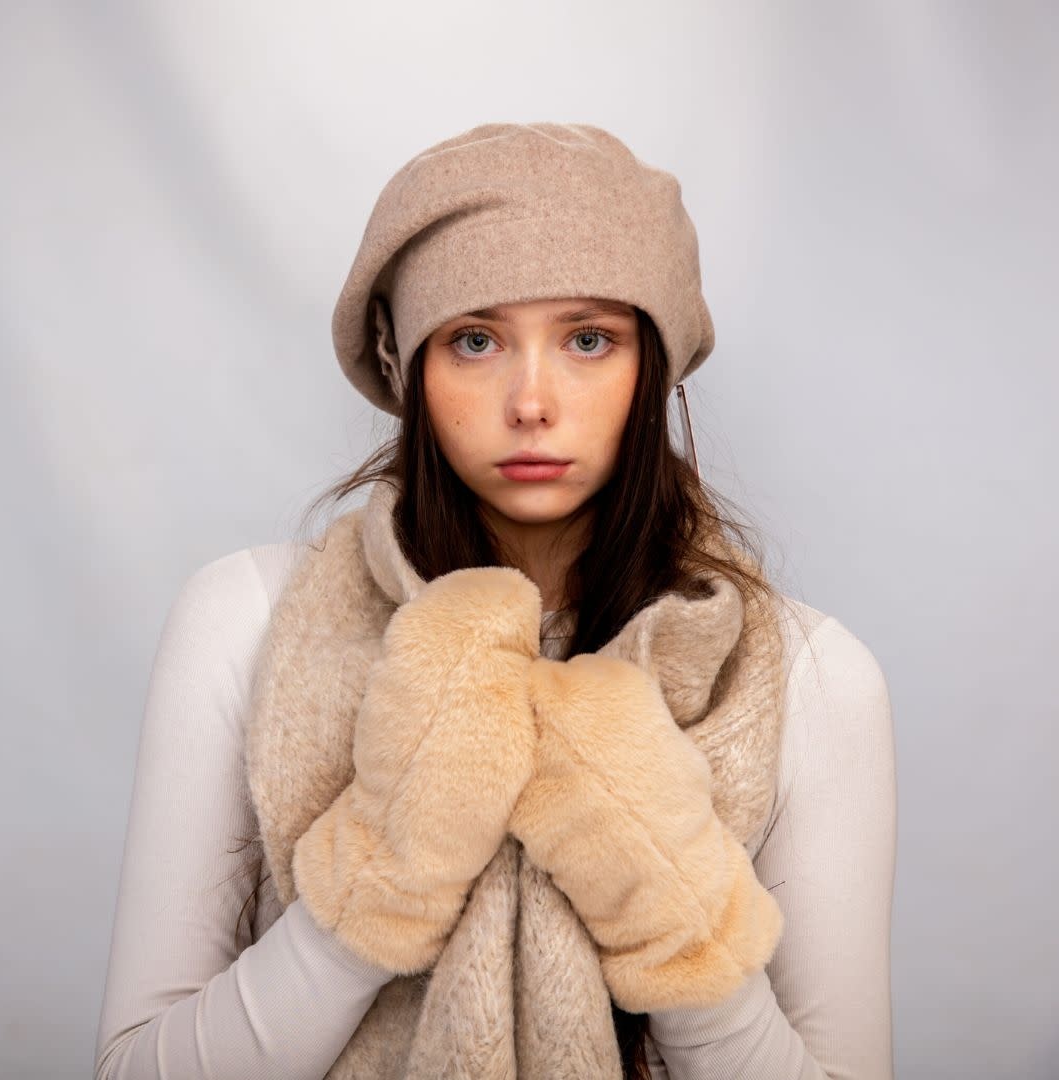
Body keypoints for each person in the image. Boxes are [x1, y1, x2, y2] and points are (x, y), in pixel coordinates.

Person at [93, 122, 897, 1080]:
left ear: (655, 368)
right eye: (475, 340)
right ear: (409, 368)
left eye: (589, 340)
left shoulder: (811, 678)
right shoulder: (246, 621)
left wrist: (673, 910)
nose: (531, 400)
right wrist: (377, 885)